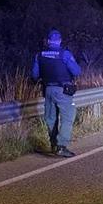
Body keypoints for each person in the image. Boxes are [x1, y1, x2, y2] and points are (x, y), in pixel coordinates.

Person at [31, 29, 82, 157]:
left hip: (48, 90)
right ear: (59, 41)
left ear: (48, 41)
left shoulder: (39, 55)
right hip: (63, 91)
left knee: (50, 118)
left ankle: (53, 144)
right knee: (68, 117)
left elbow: (34, 75)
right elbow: (76, 72)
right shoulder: (65, 54)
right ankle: (61, 145)